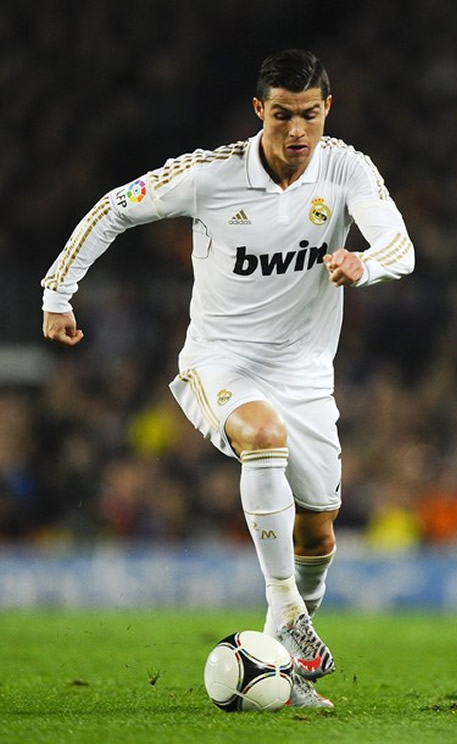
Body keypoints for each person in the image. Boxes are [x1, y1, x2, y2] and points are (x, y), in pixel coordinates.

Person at [41, 49, 415, 707]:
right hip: (221, 361)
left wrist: (364, 264)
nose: (297, 132)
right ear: (258, 112)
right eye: (281, 116)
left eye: (308, 115)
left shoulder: (345, 168)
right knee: (262, 435)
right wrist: (57, 292)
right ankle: (287, 610)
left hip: (305, 375)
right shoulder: (211, 175)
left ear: (327, 109)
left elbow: (400, 247)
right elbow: (114, 207)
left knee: (320, 530)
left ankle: (285, 668)